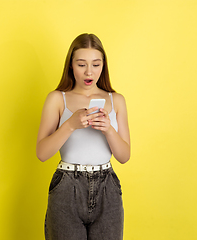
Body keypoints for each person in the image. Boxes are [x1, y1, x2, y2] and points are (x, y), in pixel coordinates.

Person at [36, 33, 130, 240]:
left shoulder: (116, 101)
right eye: (81, 64)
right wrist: (70, 125)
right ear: (70, 65)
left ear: (103, 65)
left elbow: (124, 156)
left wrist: (108, 129)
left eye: (96, 65)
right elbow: (42, 153)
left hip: (108, 187)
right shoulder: (57, 99)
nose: (89, 72)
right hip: (67, 187)